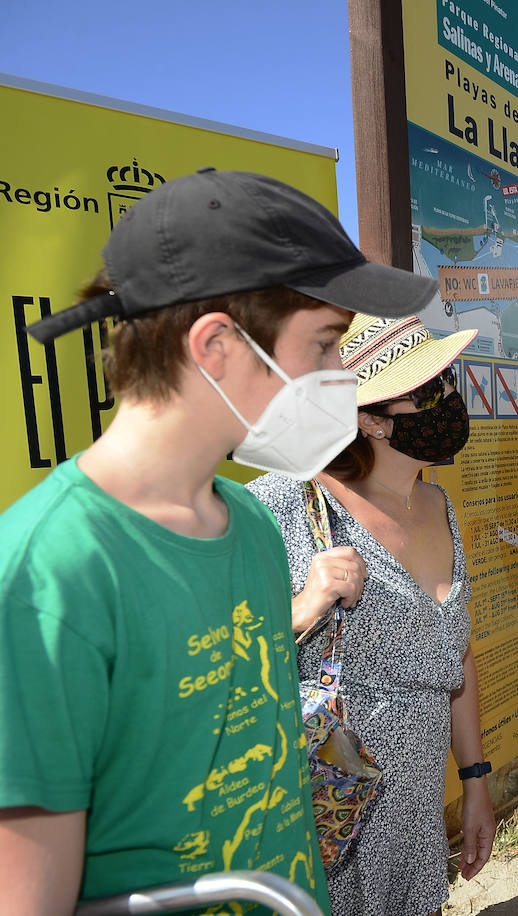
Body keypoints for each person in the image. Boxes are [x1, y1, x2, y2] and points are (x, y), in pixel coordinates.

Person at [0, 168, 438, 912]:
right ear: (217, 346)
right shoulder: (48, 571)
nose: (341, 377)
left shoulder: (254, 524)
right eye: (326, 346)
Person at [248, 312, 492, 916]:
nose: (449, 402)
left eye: (448, 381)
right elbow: (211, 663)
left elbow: (453, 661)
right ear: (372, 420)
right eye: (429, 392)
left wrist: (477, 782)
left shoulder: (439, 504)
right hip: (328, 822)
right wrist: (303, 608)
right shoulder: (282, 505)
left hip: (416, 826)